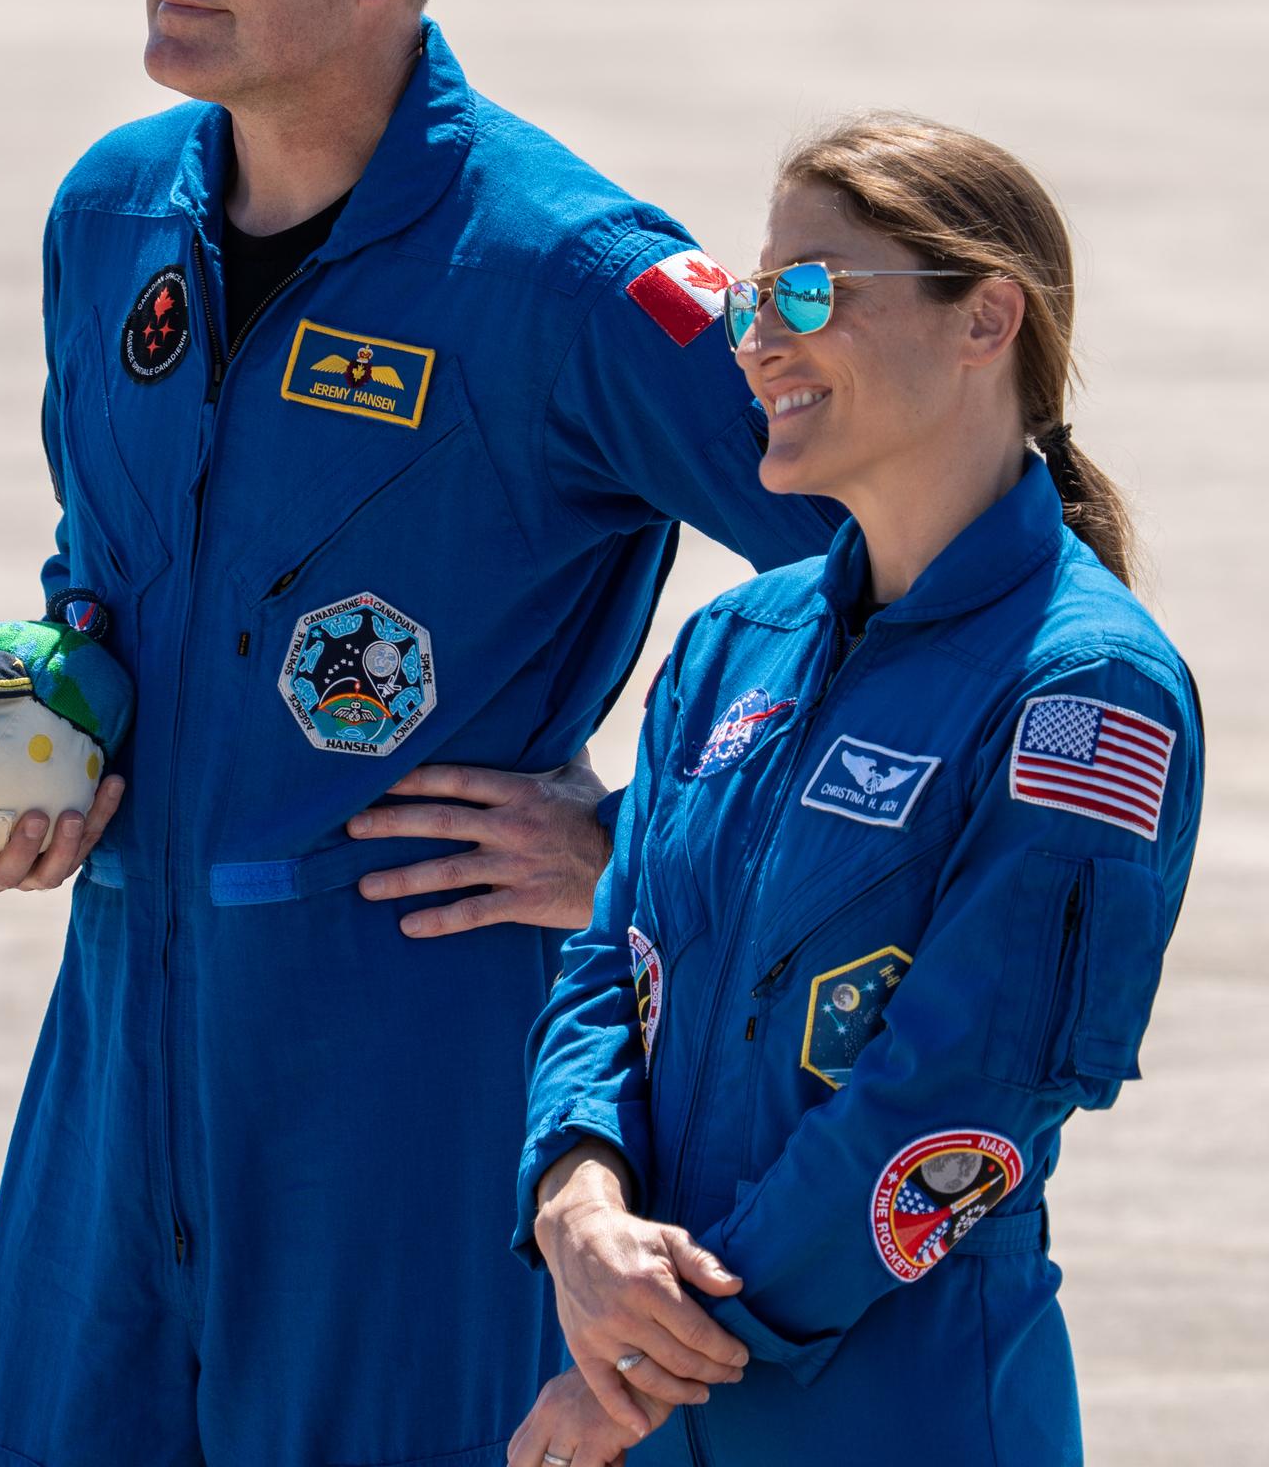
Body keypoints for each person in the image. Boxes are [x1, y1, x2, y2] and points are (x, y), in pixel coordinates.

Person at [0, 0, 842, 1467]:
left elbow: (936, 579)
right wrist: (55, 744)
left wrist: (644, 857)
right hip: (122, 1052)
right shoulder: (110, 220)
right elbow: (107, 581)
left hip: (404, 1080)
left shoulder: (566, 278)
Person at [510, 116, 1203, 1467]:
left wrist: (658, 1355)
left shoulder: (1087, 690)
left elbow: (969, 1092)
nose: (758, 340)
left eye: (812, 292)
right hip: (643, 1393)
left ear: (986, 318)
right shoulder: (729, 645)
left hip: (896, 1412)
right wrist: (576, 1201)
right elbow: (608, 961)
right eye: (754, 297)